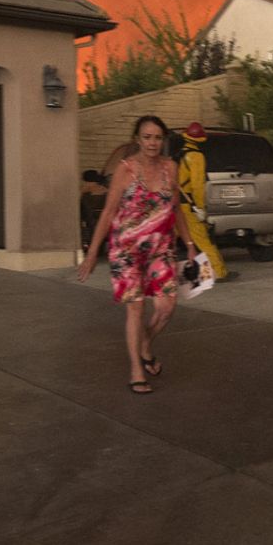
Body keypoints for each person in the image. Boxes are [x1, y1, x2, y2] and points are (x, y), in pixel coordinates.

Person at [77, 115, 197, 394]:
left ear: (163, 140)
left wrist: (189, 243)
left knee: (167, 307)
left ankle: (145, 344)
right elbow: (107, 213)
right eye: (147, 137)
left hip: (161, 248)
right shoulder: (126, 170)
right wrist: (93, 252)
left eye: (157, 137)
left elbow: (176, 208)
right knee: (136, 307)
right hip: (126, 249)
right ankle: (136, 369)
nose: (152, 143)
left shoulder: (171, 167)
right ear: (137, 140)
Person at [175, 122, 230, 281]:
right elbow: (198, 185)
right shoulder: (197, 156)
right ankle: (218, 273)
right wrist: (200, 208)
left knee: (168, 242)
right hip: (188, 206)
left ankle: (165, 274)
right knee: (204, 241)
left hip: (175, 204)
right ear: (201, 139)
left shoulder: (179, 154)